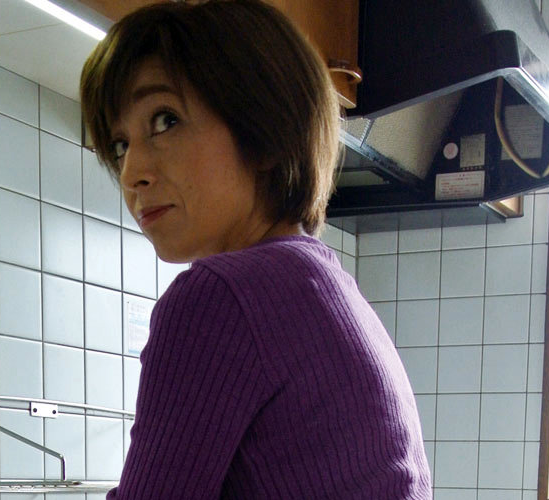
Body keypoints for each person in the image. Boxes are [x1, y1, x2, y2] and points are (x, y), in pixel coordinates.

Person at [80, 1, 432, 498]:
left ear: (265, 132)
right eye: (119, 145)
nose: (132, 171)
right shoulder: (325, 286)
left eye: (165, 121)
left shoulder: (220, 297)